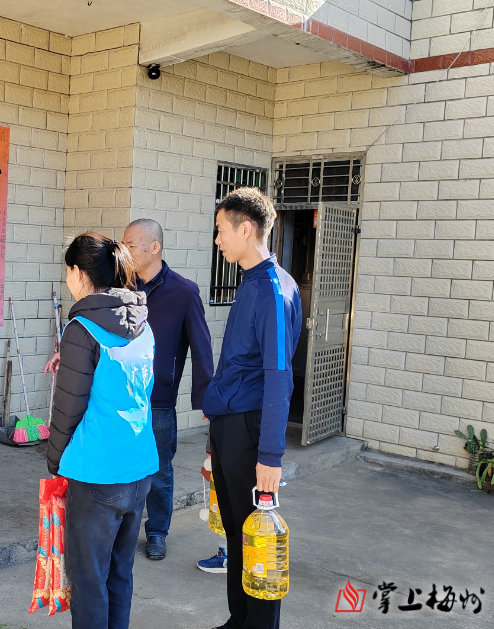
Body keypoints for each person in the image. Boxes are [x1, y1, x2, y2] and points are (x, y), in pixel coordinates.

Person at [46, 232, 158, 629]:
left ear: (79, 273)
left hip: (96, 473)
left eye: (67, 272)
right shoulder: (143, 326)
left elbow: (68, 408)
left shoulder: (81, 329)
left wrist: (55, 461)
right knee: (119, 573)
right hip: (139, 467)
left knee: (89, 581)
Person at [202, 188, 301, 629]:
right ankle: (238, 619)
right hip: (230, 425)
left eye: (221, 230)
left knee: (256, 537)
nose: (217, 240)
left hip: (249, 429)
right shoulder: (252, 283)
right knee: (236, 531)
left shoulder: (273, 291)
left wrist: (270, 456)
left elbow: (279, 376)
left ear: (246, 229)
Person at [122, 218, 214, 561]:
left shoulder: (184, 292)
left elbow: (202, 348)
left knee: (159, 471)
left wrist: (207, 400)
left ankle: (157, 532)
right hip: (120, 394)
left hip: (159, 400)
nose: (125, 251)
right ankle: (122, 530)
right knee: (122, 467)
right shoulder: (120, 287)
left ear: (154, 247)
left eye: (131, 245)